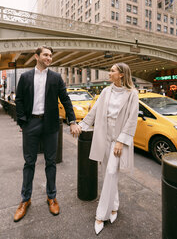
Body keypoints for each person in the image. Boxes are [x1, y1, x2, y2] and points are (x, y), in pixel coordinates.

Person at [14, 46, 80, 222]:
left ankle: (51, 197)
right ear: (37, 56)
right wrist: (22, 121)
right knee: (29, 162)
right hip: (31, 124)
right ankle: (25, 200)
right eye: (45, 55)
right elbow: (19, 99)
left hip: (50, 125)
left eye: (50, 55)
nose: (49, 58)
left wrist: (72, 121)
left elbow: (65, 99)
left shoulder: (56, 78)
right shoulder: (25, 76)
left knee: (51, 162)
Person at [78, 62, 139, 235]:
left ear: (121, 74)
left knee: (112, 172)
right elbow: (94, 111)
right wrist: (82, 125)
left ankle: (101, 215)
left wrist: (121, 141)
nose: (109, 73)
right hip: (103, 137)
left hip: (118, 139)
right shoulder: (106, 91)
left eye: (112, 71)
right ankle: (114, 206)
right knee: (107, 174)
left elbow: (132, 119)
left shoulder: (132, 94)